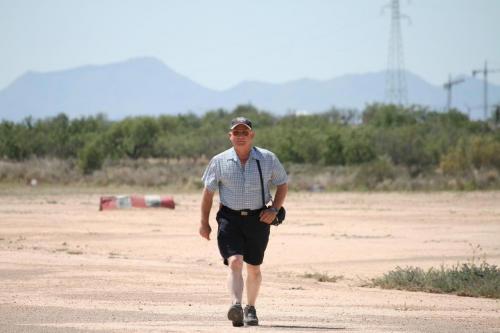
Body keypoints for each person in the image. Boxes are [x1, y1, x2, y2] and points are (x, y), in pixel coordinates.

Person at [199, 116, 288, 327]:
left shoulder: (267, 159)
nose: (240, 136)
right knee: (235, 262)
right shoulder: (219, 161)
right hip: (229, 218)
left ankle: (251, 308)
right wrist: (204, 222)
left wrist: (274, 209)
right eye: (236, 132)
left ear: (252, 135)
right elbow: (208, 193)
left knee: (254, 267)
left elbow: (282, 184)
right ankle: (236, 306)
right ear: (230, 136)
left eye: (244, 132)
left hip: (258, 219)